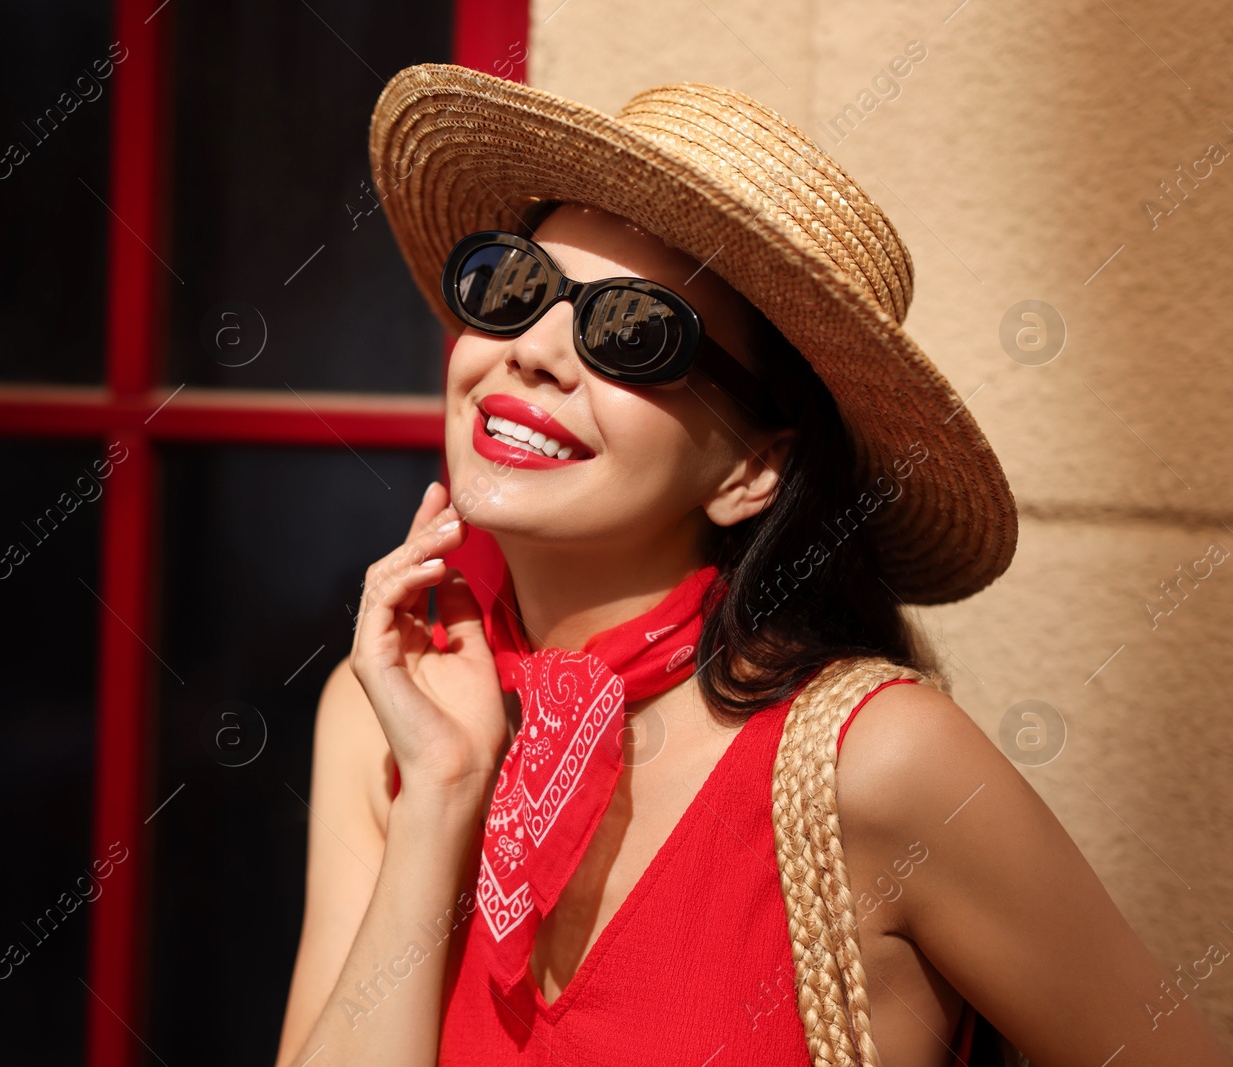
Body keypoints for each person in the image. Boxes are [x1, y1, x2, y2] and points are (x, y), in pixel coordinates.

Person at [275, 64, 1233, 1067]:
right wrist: (442, 787)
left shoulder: (879, 760)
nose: (536, 350)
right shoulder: (382, 713)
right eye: (511, 287)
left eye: (633, 332)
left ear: (750, 469)